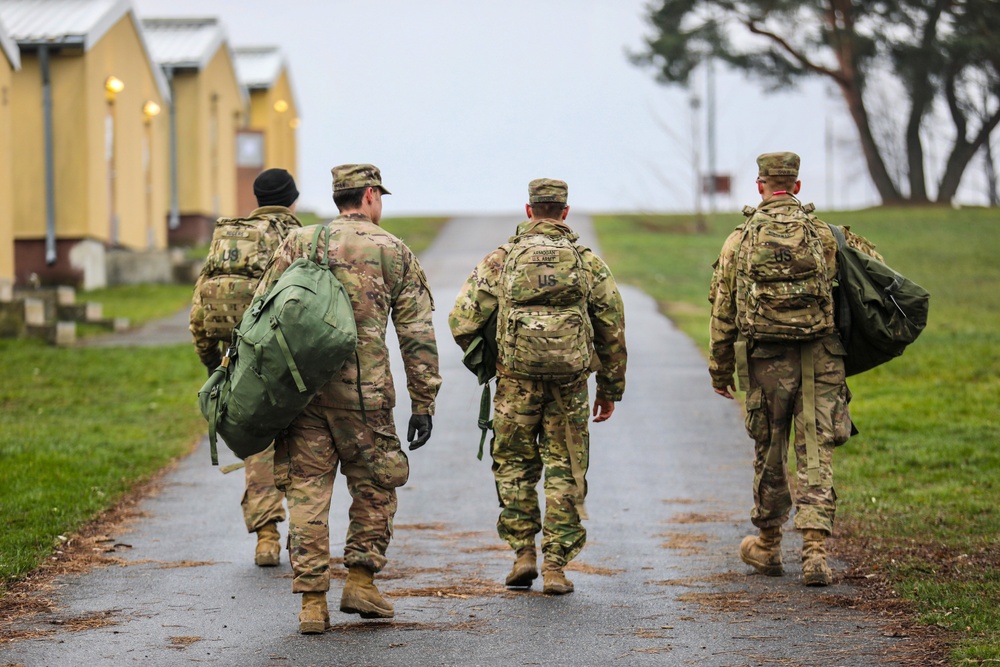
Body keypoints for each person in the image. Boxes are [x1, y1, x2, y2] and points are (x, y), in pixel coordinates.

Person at [254, 164, 440, 633]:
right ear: (371, 195)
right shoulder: (392, 250)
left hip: (302, 396)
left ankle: (312, 604)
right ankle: (360, 581)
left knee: (308, 496)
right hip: (366, 398)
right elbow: (416, 335)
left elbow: (259, 313)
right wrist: (424, 402)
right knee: (376, 487)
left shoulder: (300, 243)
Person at [708, 152, 882, 587]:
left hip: (766, 360)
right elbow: (871, 280)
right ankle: (815, 554)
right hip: (821, 356)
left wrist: (720, 368)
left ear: (760, 185)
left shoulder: (740, 239)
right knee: (815, 451)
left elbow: (722, 311)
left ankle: (767, 547)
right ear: (798, 187)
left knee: (770, 450)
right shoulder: (826, 235)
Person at [449, 178, 627, 595]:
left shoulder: (501, 260)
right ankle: (556, 566)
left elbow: (462, 319)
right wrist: (609, 388)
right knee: (565, 468)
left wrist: (490, 360)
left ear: (529, 211)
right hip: (570, 386)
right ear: (565, 212)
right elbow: (612, 327)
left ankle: (522, 553)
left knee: (514, 465)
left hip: (515, 383)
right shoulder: (586, 262)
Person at [189, 168, 302, 568]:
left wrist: (210, 362)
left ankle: (267, 538)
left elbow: (202, 303)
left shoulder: (230, 238)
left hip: (238, 359)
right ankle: (304, 540)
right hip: (288, 359)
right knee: (303, 446)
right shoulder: (297, 236)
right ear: (293, 199)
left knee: (259, 445)